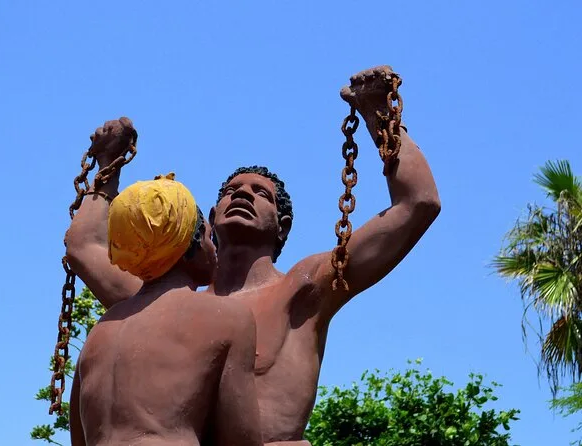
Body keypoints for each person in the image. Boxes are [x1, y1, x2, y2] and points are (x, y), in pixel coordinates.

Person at [65, 65, 441, 445]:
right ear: (210, 220)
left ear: (282, 227)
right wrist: (108, 166)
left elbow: (417, 204)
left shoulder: (304, 289)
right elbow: (84, 247)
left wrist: (379, 115)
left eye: (261, 194)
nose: (242, 193)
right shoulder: (165, 301)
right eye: (231, 191)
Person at [73, 174, 263, 446]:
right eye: (209, 236)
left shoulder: (99, 333)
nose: (214, 247)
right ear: (190, 242)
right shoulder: (227, 318)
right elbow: (241, 440)